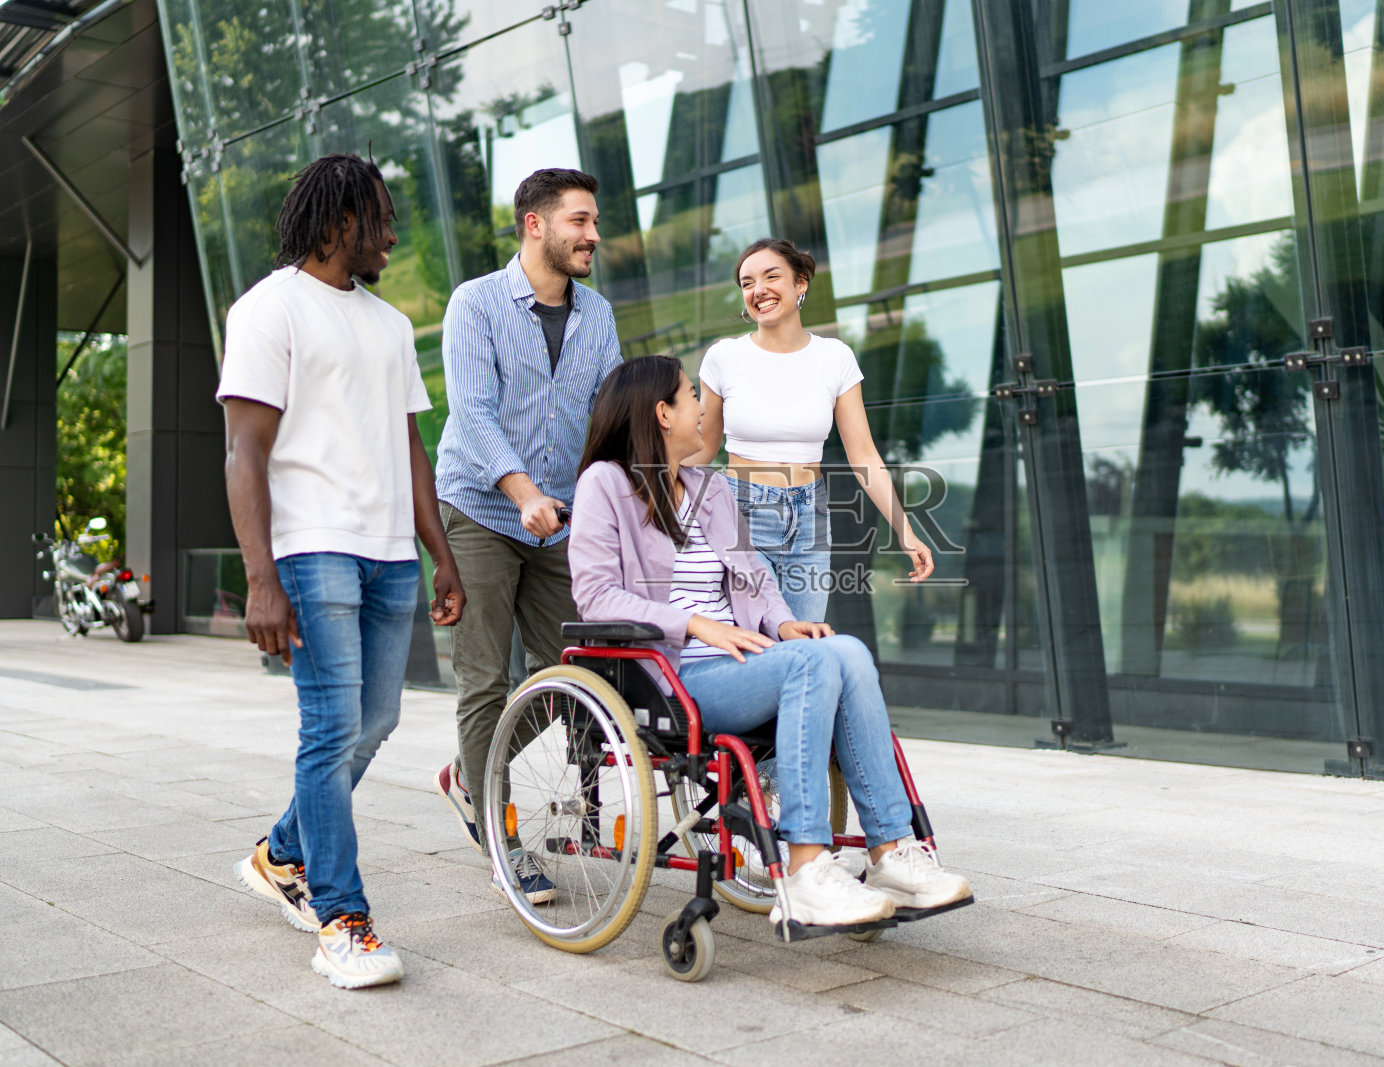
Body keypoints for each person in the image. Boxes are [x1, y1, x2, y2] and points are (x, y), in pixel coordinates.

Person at [568, 355, 971, 927]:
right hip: (674, 676)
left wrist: (782, 624)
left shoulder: (707, 487)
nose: (702, 406)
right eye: (690, 397)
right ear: (662, 414)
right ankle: (805, 865)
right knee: (810, 664)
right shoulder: (604, 484)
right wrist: (696, 625)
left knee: (847, 650)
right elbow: (596, 595)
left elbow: (752, 573)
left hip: (739, 661)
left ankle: (889, 854)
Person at [221, 153, 465, 990]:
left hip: (391, 552)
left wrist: (442, 555)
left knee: (378, 720)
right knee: (329, 730)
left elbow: (412, 450)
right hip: (312, 547)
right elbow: (243, 453)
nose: (393, 233)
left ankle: (282, 851)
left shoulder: (392, 326)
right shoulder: (267, 310)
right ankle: (342, 916)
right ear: (337, 221)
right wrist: (260, 577)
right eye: (381, 217)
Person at [430, 168, 622, 901]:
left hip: (562, 519)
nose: (593, 235)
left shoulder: (596, 314)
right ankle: (500, 833)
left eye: (595, 221)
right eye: (580, 220)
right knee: (485, 678)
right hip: (482, 506)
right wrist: (522, 491)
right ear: (535, 225)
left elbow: (607, 418)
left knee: (576, 673)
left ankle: (467, 774)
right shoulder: (475, 303)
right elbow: (472, 412)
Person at [684, 238, 934, 621]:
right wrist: (646, 489)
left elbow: (864, 454)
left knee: (805, 641)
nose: (759, 290)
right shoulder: (724, 357)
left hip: (810, 516)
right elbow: (703, 448)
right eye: (747, 283)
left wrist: (905, 530)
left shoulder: (835, 357)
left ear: (801, 283)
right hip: (741, 513)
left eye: (771, 277)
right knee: (763, 637)